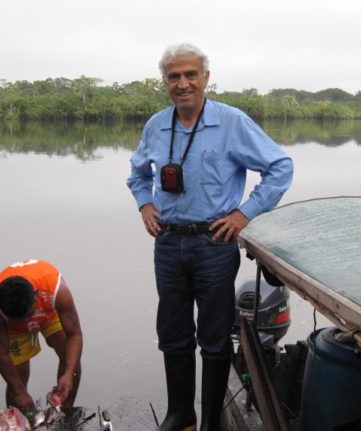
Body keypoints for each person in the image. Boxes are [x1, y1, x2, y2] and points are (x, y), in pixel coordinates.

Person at [126, 43, 293, 431]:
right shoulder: (156, 125)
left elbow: (280, 168)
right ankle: (180, 413)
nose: (182, 84)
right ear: (164, 81)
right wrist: (145, 205)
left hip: (213, 244)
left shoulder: (231, 122)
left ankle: (212, 421)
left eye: (190, 75)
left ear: (205, 78)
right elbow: (138, 173)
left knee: (215, 337)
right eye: (173, 76)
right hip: (167, 243)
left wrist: (243, 213)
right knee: (172, 332)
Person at [0, 259, 83, 414]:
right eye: (21, 318)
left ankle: (65, 414)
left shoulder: (57, 291)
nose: (27, 322)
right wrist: (19, 392)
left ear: (36, 295)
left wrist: (69, 373)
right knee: (17, 376)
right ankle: (16, 421)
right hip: (14, 328)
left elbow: (75, 335)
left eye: (29, 315)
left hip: (48, 313)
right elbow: (0, 353)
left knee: (70, 358)